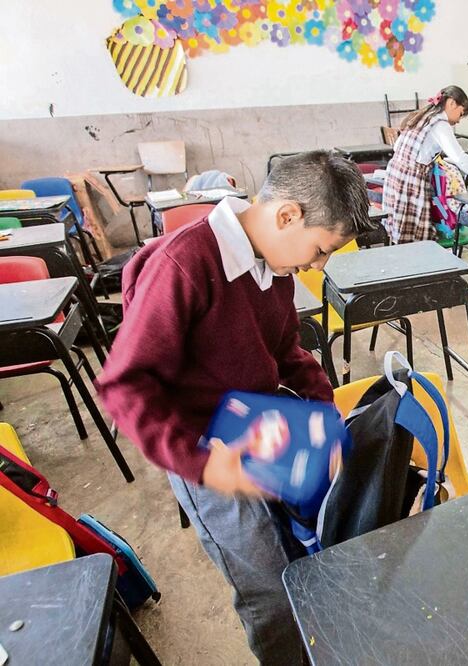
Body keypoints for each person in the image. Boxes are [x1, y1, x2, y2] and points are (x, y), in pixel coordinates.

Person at [96, 151, 371, 664]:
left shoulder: (274, 263)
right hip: (206, 448)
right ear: (287, 215)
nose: (318, 265)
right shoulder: (185, 264)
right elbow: (125, 384)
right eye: (321, 249)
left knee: (303, 550)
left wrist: (323, 408)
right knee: (267, 587)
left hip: (262, 427)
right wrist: (203, 465)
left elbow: (285, 348)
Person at [382, 85, 468, 244]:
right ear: (452, 103)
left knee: (399, 226)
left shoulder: (423, 116)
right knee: (412, 232)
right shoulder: (440, 124)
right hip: (410, 178)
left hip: (395, 173)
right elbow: (459, 158)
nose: (458, 120)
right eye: (461, 114)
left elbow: (397, 146)